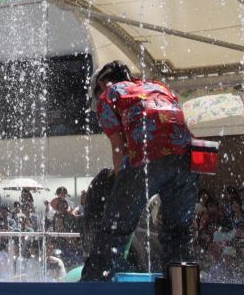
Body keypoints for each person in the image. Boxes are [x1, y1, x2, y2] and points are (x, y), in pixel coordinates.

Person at [80, 60, 196, 281]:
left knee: (113, 232)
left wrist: (119, 186)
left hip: (146, 156)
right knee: (178, 236)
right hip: (186, 161)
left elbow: (119, 149)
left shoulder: (110, 95)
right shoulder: (158, 87)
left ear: (103, 83)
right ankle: (183, 289)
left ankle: (92, 287)